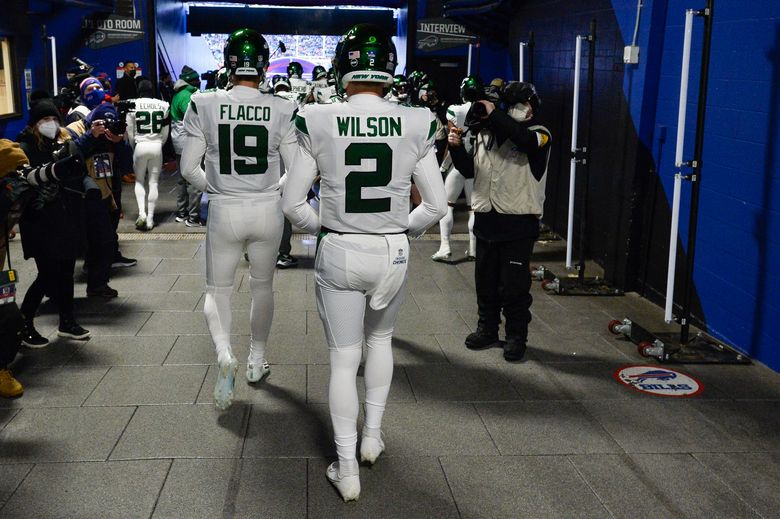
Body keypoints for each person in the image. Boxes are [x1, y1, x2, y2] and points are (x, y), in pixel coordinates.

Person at [282, 24, 447, 502]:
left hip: (340, 248)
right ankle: (372, 437)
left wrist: (326, 227)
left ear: (344, 68)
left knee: (341, 359)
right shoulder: (417, 121)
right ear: (388, 68)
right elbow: (435, 205)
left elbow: (293, 204)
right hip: (393, 251)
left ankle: (348, 467)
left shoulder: (317, 117)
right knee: (381, 341)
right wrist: (402, 231)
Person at [180, 28, 297, 411]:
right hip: (267, 209)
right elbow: (295, 169)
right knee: (263, 288)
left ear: (227, 62)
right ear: (264, 65)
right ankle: (256, 361)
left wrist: (215, 189)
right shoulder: (282, 106)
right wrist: (273, 187)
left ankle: (225, 353)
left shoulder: (205, 102)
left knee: (218, 290)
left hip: (225, 209)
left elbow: (187, 168)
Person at [448, 81, 551, 361]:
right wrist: (456, 148)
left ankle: (517, 336)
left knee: (514, 287)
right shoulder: (486, 135)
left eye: (524, 105)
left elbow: (524, 140)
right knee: (486, 282)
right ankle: (488, 329)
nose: (522, 111)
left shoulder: (540, 134)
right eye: (516, 105)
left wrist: (494, 115)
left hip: (518, 223)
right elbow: (470, 170)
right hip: (486, 219)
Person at [16, 99, 90, 345]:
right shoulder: (23, 147)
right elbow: (28, 179)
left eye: (54, 120)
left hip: (64, 216)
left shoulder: (61, 143)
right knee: (47, 274)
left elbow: (76, 173)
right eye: (45, 120)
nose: (50, 124)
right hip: (38, 221)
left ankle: (67, 321)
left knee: (66, 271)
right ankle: (24, 323)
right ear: (34, 124)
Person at [431, 75, 483, 262]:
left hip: (458, 163)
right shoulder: (485, 111)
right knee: (473, 209)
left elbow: (452, 141)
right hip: (478, 164)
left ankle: (445, 247)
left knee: (447, 206)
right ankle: (474, 248)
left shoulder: (454, 110)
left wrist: (443, 165)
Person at [125, 79, 170, 231]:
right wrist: (159, 144)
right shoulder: (163, 105)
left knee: (139, 181)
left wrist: (133, 147)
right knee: (153, 183)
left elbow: (130, 132)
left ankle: (142, 213)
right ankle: (150, 219)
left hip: (140, 145)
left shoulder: (132, 104)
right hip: (156, 146)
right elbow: (165, 131)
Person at [171, 65, 203, 226]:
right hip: (188, 143)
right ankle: (193, 217)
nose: (200, 81)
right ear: (191, 81)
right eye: (197, 79)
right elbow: (192, 118)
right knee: (194, 181)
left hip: (179, 143)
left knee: (182, 180)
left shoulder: (180, 93)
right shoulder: (186, 96)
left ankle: (182, 213)